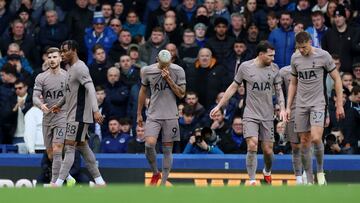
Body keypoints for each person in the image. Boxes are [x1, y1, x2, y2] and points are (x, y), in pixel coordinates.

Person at [210, 41, 287, 186]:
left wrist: (282, 108)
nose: (273, 58)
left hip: (268, 115)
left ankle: (267, 171)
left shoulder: (274, 68)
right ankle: (252, 180)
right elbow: (233, 87)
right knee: (252, 145)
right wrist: (219, 105)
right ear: (261, 54)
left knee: (268, 151)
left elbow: (278, 91)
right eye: (270, 55)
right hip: (250, 113)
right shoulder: (245, 67)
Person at [286, 31, 345, 185]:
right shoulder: (295, 58)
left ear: (310, 42)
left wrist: (339, 104)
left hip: (318, 103)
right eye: (299, 48)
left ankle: (320, 171)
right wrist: (287, 107)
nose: (302, 51)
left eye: (304, 47)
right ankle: (309, 178)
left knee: (316, 138)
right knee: (304, 141)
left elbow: (337, 79)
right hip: (301, 104)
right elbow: (293, 83)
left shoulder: (323, 56)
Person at [52, 40, 106, 187]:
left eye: (64, 51)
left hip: (79, 115)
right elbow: (69, 93)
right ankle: (100, 182)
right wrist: (59, 105)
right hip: (72, 115)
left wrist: (95, 110)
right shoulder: (71, 69)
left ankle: (57, 183)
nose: (62, 54)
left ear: (74, 50)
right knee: (83, 147)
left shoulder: (81, 68)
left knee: (69, 146)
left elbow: (91, 88)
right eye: (61, 51)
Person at [137, 49, 186, 186]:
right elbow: (142, 91)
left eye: (168, 63)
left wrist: (169, 79)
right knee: (149, 144)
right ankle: (155, 172)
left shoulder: (178, 71)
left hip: (171, 115)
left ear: (171, 60)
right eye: (163, 63)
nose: (165, 66)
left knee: (167, 150)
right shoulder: (147, 71)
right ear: (157, 60)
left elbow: (181, 94)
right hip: (153, 114)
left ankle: (163, 183)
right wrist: (139, 113)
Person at [32, 47, 76, 185]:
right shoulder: (41, 77)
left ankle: (54, 183)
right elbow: (34, 97)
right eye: (49, 57)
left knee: (58, 148)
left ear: (60, 58)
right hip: (47, 117)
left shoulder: (68, 76)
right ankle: (68, 177)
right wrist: (41, 105)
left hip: (62, 116)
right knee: (51, 154)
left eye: (54, 57)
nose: (52, 60)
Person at [279, 65, 303, 184]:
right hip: (292, 111)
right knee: (295, 146)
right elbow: (279, 93)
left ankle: (307, 174)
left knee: (308, 143)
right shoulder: (284, 71)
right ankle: (298, 177)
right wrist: (281, 109)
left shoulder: (315, 68)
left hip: (310, 110)